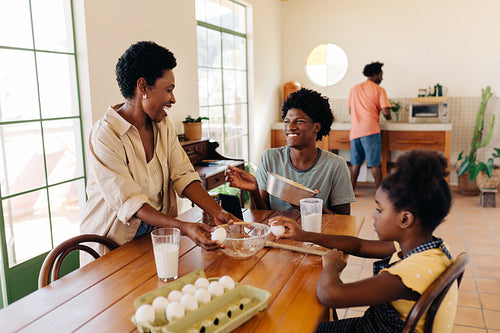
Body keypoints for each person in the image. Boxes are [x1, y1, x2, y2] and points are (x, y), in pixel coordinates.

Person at [80, 41, 237, 261]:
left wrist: (215, 211)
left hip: (156, 237)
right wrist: (184, 227)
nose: (173, 99)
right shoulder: (106, 135)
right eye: (169, 90)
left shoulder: (163, 125)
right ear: (143, 86)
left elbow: (183, 174)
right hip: (112, 246)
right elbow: (131, 202)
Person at [269, 150, 456, 332]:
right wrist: (305, 235)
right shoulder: (427, 248)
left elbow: (330, 295)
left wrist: (332, 266)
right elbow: (360, 245)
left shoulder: (409, 274)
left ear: (405, 219)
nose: (373, 216)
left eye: (380, 210)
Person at [225, 88, 355, 215]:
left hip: (316, 234)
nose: (290, 127)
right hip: (277, 233)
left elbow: (343, 220)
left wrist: (312, 207)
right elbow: (261, 214)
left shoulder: (335, 165)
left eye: (299, 121)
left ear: (316, 127)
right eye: (287, 122)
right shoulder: (270, 158)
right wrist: (253, 191)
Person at [349, 61, 392, 190]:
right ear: (375, 75)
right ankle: (381, 192)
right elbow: (386, 111)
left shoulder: (354, 89)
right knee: (374, 164)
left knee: (355, 164)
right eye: (381, 75)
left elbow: (350, 111)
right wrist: (388, 117)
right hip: (370, 131)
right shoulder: (379, 90)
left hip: (355, 131)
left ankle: (350, 192)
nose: (382, 78)